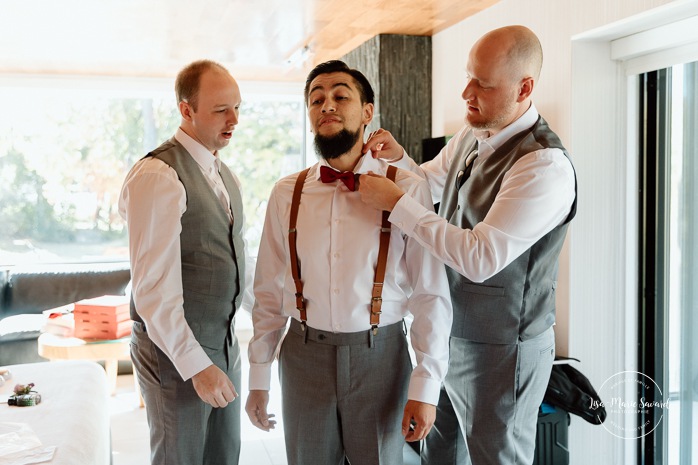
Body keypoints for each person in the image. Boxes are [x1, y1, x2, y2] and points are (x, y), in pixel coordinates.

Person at [358, 26, 577, 465]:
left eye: (483, 83)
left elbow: (480, 258)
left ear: (524, 88)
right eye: (468, 76)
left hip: (503, 350)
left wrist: (398, 205)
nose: (466, 92)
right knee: (440, 455)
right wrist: (401, 160)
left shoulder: (544, 166)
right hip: (450, 334)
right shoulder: (473, 133)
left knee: (496, 458)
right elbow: (431, 182)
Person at [245, 60, 453, 465]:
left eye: (341, 96)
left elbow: (431, 293)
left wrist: (426, 385)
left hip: (382, 357)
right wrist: (259, 377)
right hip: (303, 358)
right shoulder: (286, 193)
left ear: (368, 112)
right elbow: (267, 291)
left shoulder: (406, 188)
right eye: (316, 99)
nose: (327, 105)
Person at [119, 59, 253, 465]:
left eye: (237, 107)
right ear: (186, 110)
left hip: (225, 346)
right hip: (174, 352)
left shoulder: (225, 174)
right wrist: (197, 366)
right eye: (220, 109)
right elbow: (153, 293)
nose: (233, 119)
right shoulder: (157, 175)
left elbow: (229, 260)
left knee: (223, 456)